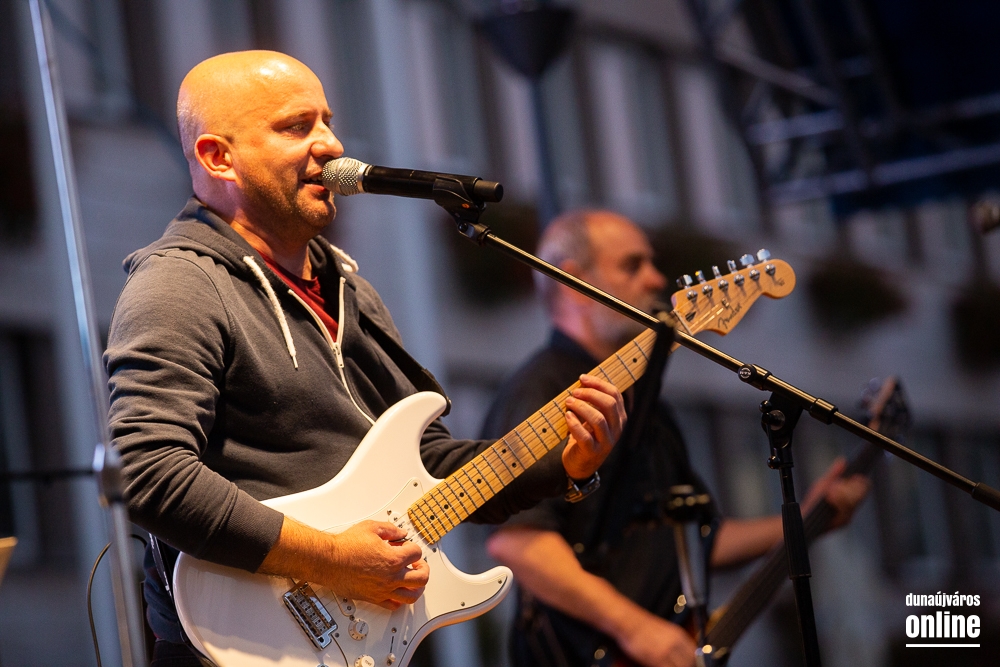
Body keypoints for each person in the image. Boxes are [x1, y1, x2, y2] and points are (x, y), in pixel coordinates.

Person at [104, 51, 626, 666]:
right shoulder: (180, 284)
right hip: (238, 647)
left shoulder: (348, 288)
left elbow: (430, 468)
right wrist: (333, 559)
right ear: (220, 157)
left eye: (327, 122)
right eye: (296, 127)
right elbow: (148, 473)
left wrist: (563, 464)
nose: (331, 144)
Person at [482, 210, 871, 667]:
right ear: (573, 282)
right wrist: (634, 628)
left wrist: (807, 519)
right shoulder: (541, 390)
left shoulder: (647, 402)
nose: (655, 278)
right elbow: (518, 542)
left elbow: (696, 538)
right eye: (632, 265)